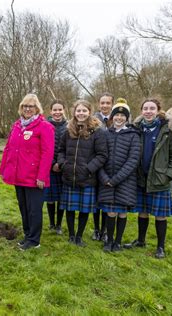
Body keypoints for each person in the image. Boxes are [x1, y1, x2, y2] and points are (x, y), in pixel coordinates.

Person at [125, 98, 172, 258]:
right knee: (142, 211)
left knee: (160, 214)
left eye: (152, 108)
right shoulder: (137, 128)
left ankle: (160, 247)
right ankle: (141, 240)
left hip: (160, 178)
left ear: (158, 110)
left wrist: (169, 175)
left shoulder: (168, 129)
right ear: (141, 111)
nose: (148, 111)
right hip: (141, 177)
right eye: (145, 108)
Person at [0, 94, 54, 250]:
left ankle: (34, 240)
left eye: (31, 106)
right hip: (18, 175)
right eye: (25, 106)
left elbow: (47, 153)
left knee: (34, 209)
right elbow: (9, 149)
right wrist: (4, 169)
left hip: (34, 177)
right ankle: (27, 235)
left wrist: (42, 176)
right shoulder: (17, 126)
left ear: (37, 108)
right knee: (23, 207)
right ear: (21, 108)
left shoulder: (45, 126)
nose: (27, 109)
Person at [57, 100, 108, 247]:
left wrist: (88, 169)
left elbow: (102, 155)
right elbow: (61, 150)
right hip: (69, 176)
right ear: (74, 112)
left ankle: (79, 236)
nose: (81, 113)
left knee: (84, 210)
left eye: (84, 111)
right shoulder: (68, 130)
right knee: (70, 209)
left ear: (89, 112)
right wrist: (62, 164)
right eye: (78, 111)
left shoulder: (97, 131)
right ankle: (72, 235)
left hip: (87, 177)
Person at [97, 99, 140, 252]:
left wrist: (115, 180)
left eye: (123, 116)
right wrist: (104, 178)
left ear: (126, 118)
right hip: (106, 179)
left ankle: (118, 242)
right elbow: (99, 157)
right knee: (110, 211)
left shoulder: (133, 135)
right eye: (116, 115)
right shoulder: (105, 134)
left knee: (121, 212)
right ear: (112, 117)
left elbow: (133, 159)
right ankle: (108, 240)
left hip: (125, 181)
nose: (119, 118)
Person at [43, 100, 67, 235]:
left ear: (63, 110)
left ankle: (59, 224)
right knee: (51, 197)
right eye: (55, 110)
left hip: (64, 167)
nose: (57, 112)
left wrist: (61, 163)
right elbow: (44, 148)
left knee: (61, 197)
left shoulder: (69, 126)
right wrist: (52, 164)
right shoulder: (45, 126)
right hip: (49, 166)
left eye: (60, 109)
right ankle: (51, 223)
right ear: (50, 111)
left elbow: (68, 148)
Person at [92, 92, 114, 241]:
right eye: (102, 103)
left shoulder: (118, 118)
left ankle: (106, 230)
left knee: (106, 199)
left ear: (111, 104)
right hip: (95, 164)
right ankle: (96, 229)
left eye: (108, 103)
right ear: (99, 104)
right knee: (95, 200)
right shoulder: (93, 120)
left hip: (111, 166)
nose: (105, 105)